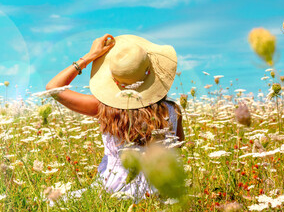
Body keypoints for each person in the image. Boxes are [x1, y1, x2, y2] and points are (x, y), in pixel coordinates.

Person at [45, 34, 184, 199]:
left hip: (113, 190)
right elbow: (177, 146)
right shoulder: (172, 110)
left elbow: (53, 87)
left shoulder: (104, 109)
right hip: (160, 190)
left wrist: (89, 57)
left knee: (51, 202)